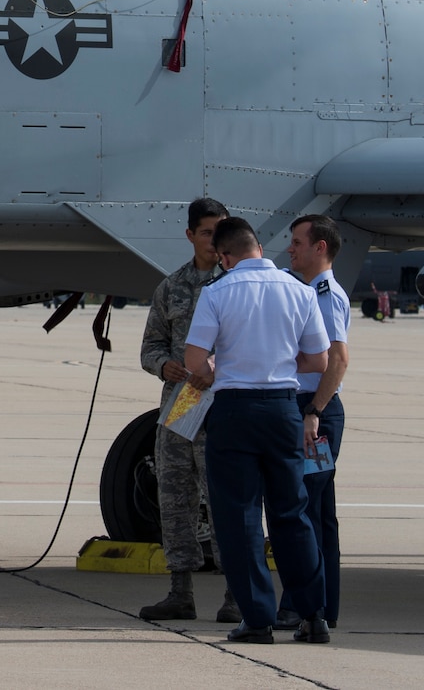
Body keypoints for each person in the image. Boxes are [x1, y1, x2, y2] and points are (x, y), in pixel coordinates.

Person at [183, 217, 332, 646]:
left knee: (241, 518)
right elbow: (319, 360)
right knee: (292, 513)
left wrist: (217, 370)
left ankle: (257, 619)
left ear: (224, 257)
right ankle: (312, 615)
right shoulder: (300, 291)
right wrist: (282, 364)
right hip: (284, 409)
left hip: (235, 411)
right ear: (259, 249)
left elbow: (195, 359)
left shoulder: (217, 292)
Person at [136, 197, 237, 625]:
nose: (215, 241)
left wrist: (220, 368)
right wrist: (164, 366)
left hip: (223, 406)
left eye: (221, 232)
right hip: (181, 407)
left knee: (226, 500)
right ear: (190, 235)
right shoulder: (172, 286)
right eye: (207, 233)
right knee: (175, 496)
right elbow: (150, 345)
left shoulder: (236, 283)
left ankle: (237, 592)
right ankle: (180, 590)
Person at [276, 214, 351, 632]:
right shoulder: (306, 289)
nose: (291, 248)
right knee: (319, 515)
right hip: (311, 408)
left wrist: (313, 413)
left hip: (314, 411)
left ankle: (297, 605)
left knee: (299, 508)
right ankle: (322, 606)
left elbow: (337, 359)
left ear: (319, 247)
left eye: (298, 242)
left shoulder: (324, 294)